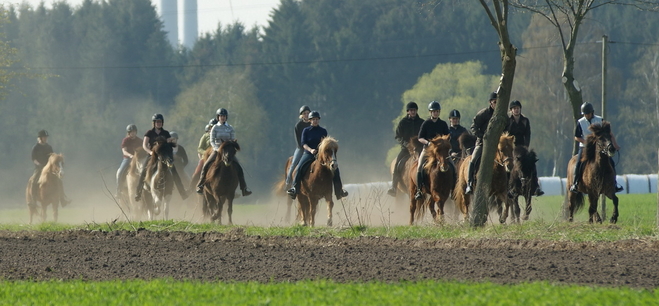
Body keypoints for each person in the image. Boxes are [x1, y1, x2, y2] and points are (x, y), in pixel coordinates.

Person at [286, 111, 349, 200]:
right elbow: (303, 144)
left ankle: (339, 191)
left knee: (335, 169)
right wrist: (311, 150)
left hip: (321, 155)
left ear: (319, 120)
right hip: (308, 153)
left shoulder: (323, 131)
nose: (315, 121)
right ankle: (294, 188)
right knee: (299, 168)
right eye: (313, 119)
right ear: (310, 121)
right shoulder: (306, 131)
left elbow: (326, 144)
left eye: (317, 119)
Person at [195, 108, 252, 197]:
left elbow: (232, 139)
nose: (222, 118)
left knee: (239, 167)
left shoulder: (230, 128)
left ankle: (244, 188)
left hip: (227, 150)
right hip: (217, 150)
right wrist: (217, 149)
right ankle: (200, 185)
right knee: (206, 165)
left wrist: (231, 147)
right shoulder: (215, 127)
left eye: (224, 116)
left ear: (226, 117)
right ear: (218, 117)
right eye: (221, 116)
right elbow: (212, 140)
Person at [569, 102, 623, 193]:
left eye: (588, 113)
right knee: (578, 163)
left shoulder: (599, 119)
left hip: (599, 147)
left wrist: (615, 144)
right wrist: (587, 142)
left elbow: (609, 133)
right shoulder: (580, 122)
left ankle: (614, 183)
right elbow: (577, 137)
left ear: (592, 112)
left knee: (611, 162)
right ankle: (575, 183)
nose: (586, 115)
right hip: (585, 147)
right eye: (585, 114)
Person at [134, 113, 188, 202]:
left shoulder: (166, 133)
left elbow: (168, 144)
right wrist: (150, 152)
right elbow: (144, 145)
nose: (159, 123)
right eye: (157, 122)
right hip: (152, 155)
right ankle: (138, 192)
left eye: (160, 122)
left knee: (174, 170)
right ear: (154, 123)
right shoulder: (149, 133)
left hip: (164, 155)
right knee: (144, 169)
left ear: (162, 122)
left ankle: (182, 192)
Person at [414, 101, 450, 200]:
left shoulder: (443, 124)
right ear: (430, 112)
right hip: (428, 150)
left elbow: (447, 136)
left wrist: (444, 142)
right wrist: (427, 143)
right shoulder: (426, 123)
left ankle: (452, 188)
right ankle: (419, 190)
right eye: (434, 111)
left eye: (437, 111)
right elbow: (420, 137)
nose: (436, 113)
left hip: (440, 151)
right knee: (420, 167)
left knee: (452, 166)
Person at [465, 92, 500, 195]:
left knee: (507, 160)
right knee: (474, 158)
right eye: (494, 102)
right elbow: (473, 126)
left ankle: (508, 188)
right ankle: (469, 183)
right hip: (482, 143)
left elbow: (507, 127)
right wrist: (482, 136)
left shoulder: (501, 115)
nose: (496, 104)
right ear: (490, 103)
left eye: (498, 102)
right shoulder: (483, 113)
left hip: (497, 144)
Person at [506, 100, 544, 196]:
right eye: (514, 108)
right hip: (511, 147)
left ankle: (536, 187)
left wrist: (526, 145)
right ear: (511, 110)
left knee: (532, 163)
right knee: (508, 165)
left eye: (518, 108)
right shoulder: (508, 121)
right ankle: (510, 188)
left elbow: (527, 134)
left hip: (522, 147)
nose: (516, 110)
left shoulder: (525, 120)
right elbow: (506, 134)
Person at [387, 101, 423, 197]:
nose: (413, 112)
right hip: (406, 149)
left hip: (419, 149)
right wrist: (406, 144)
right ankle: (394, 187)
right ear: (408, 112)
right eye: (411, 110)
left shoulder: (422, 122)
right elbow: (398, 136)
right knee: (397, 165)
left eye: (414, 110)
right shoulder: (403, 123)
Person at [29, 130, 70, 206]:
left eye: (46, 137)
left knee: (59, 181)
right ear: (40, 138)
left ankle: (62, 199)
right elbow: (33, 159)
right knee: (33, 180)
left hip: (48, 168)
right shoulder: (36, 147)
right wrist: (39, 164)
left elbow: (52, 158)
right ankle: (33, 200)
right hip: (39, 168)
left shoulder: (49, 147)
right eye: (44, 137)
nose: (45, 138)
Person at [285, 105, 311, 190]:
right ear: (301, 115)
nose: (306, 115)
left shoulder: (312, 123)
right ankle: (288, 182)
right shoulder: (298, 125)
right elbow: (298, 140)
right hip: (301, 148)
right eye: (305, 113)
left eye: (308, 113)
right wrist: (303, 147)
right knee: (294, 163)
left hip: (312, 148)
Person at [115, 124, 142, 198]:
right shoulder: (125, 140)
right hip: (127, 159)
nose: (133, 133)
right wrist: (130, 156)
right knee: (120, 172)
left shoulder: (140, 140)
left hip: (137, 159)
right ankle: (118, 191)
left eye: (134, 132)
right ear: (128, 133)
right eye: (131, 132)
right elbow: (124, 151)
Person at [190, 119, 216, 189]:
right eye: (211, 127)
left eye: (215, 127)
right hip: (206, 157)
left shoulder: (220, 136)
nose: (213, 128)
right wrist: (207, 153)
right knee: (198, 171)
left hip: (218, 156)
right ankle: (191, 188)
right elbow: (199, 149)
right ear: (209, 127)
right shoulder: (205, 136)